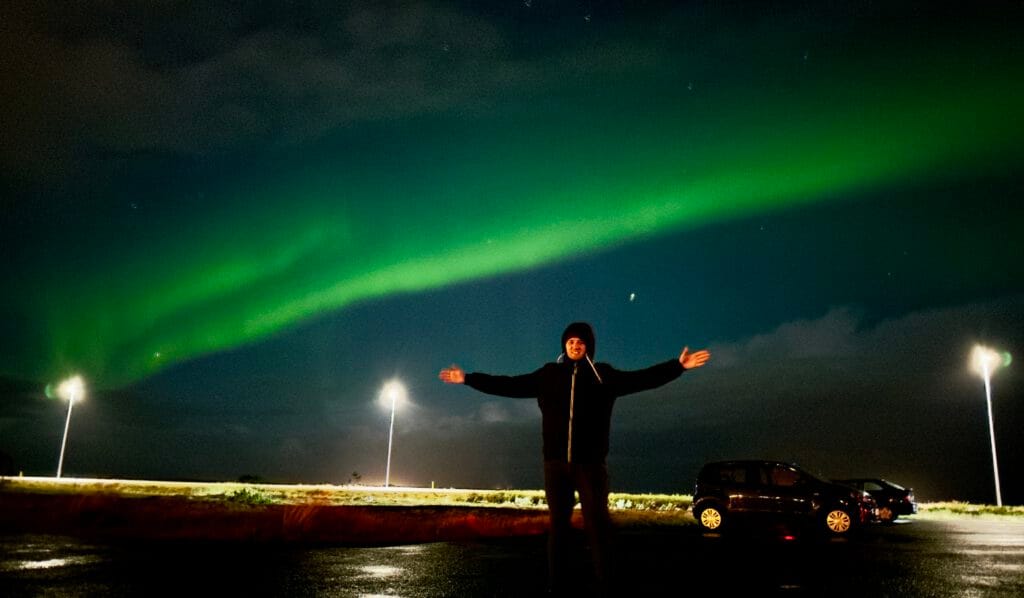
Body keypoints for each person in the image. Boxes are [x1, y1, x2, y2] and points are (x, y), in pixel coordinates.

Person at [439, 322, 710, 594]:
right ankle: (558, 585)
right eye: (570, 341)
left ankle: (606, 583)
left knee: (598, 526)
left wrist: (678, 366)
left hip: (590, 465)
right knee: (558, 528)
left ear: (588, 346)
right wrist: (468, 379)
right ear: (564, 345)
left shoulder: (603, 375)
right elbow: (510, 384)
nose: (575, 345)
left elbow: (642, 379)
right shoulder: (550, 374)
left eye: (580, 342)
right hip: (555, 465)